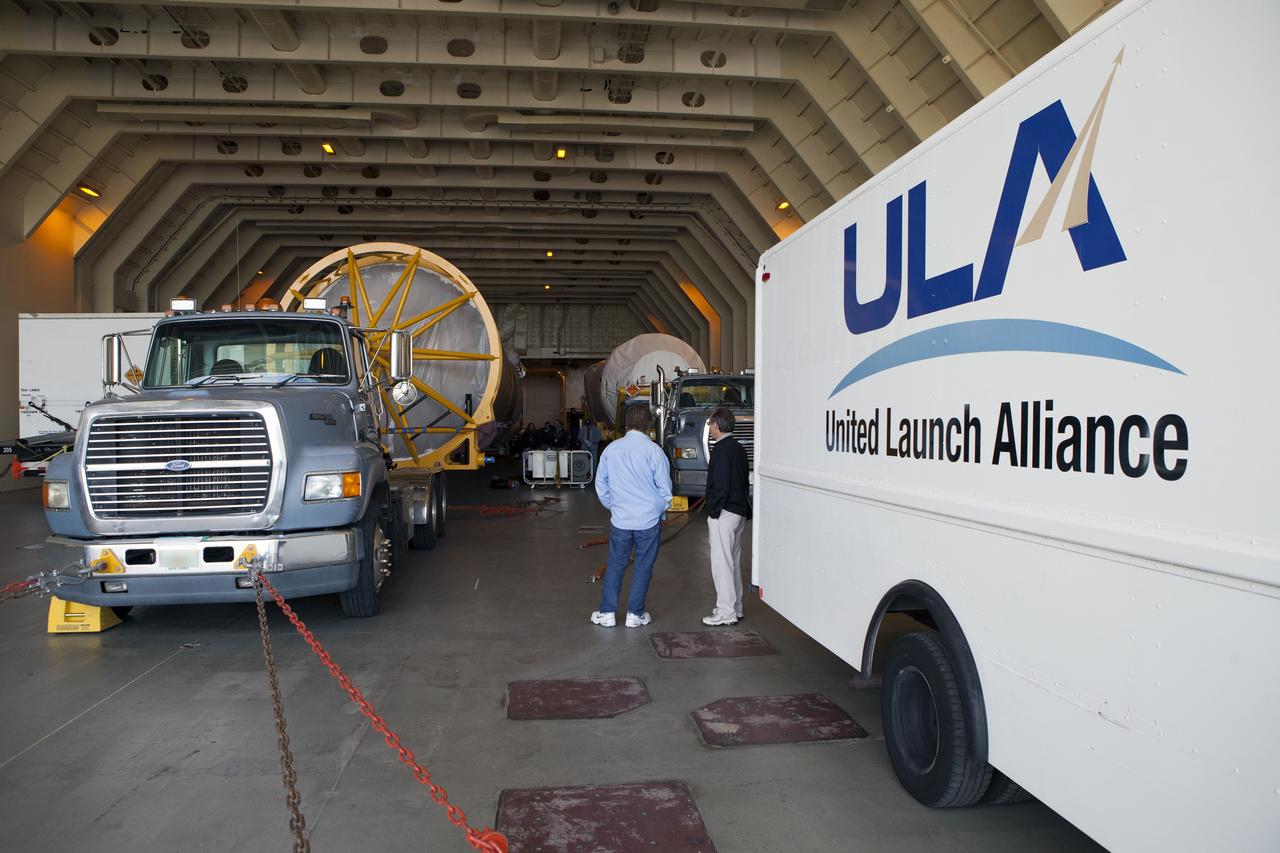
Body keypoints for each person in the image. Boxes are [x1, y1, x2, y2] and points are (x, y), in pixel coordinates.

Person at [591, 405, 672, 629]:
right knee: (643, 566)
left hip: (621, 520)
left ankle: (607, 612)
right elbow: (665, 490)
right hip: (648, 521)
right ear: (649, 426)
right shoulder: (654, 451)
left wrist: (615, 507)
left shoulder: (611, 449)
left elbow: (601, 486)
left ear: (626, 424)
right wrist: (659, 510)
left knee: (616, 564)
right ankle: (635, 614)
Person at [702, 406, 752, 626]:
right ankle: (736, 607)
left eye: (710, 425)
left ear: (716, 425)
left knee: (721, 563)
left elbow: (720, 485)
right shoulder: (739, 448)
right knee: (733, 561)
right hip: (739, 511)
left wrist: (713, 511)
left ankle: (725, 611)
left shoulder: (721, 450)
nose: (710, 429)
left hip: (725, 513)